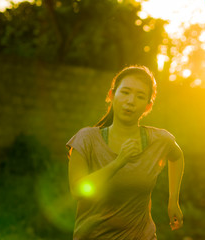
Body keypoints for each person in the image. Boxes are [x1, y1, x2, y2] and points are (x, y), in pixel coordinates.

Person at [66, 65, 184, 240]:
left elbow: (177, 156)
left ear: (148, 106)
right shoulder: (86, 139)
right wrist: (118, 163)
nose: (131, 101)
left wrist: (173, 200)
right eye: (125, 92)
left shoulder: (159, 140)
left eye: (140, 96)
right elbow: (78, 191)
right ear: (112, 95)